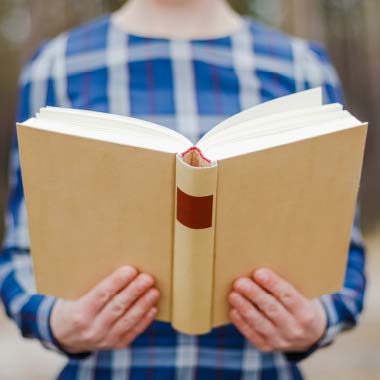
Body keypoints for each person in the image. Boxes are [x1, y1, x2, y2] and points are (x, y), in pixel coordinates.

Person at [0, 0, 366, 378]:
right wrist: (59, 322)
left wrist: (316, 321)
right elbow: (21, 254)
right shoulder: (57, 67)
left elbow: (344, 256)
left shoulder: (301, 67)